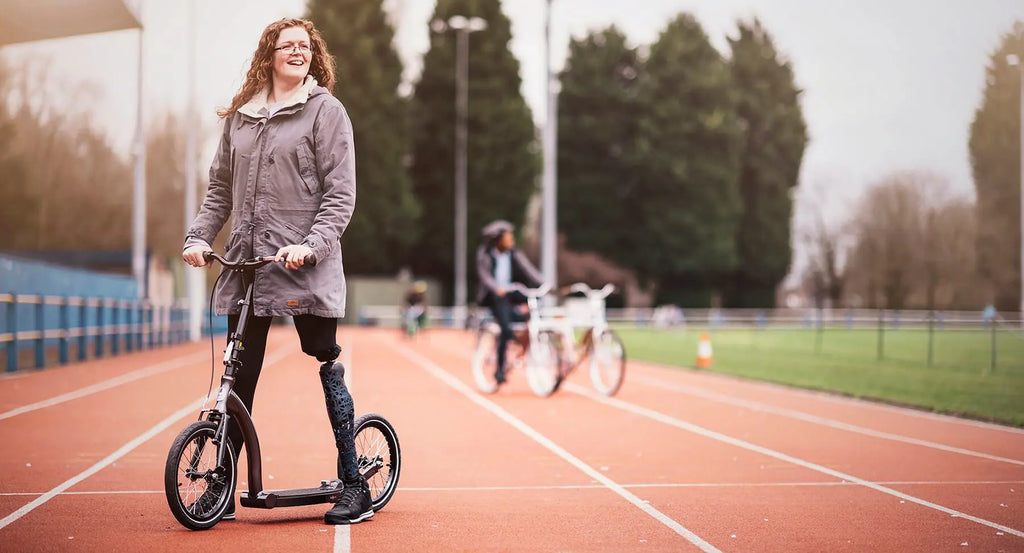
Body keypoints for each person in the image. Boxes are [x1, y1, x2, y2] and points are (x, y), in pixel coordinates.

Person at [181, 18, 369, 525]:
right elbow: (220, 188)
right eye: (287, 45)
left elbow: (340, 193)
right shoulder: (242, 119)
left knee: (324, 357)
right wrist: (198, 237)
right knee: (240, 372)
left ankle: (353, 484)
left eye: (305, 46)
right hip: (249, 264)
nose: (297, 52)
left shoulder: (325, 112)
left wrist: (312, 246)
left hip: (303, 263)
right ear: (268, 54)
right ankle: (220, 483)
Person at [475, 220, 544, 386]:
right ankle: (500, 369)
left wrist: (544, 283)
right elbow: (485, 276)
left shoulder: (513, 252)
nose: (511, 239)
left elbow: (528, 269)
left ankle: (527, 339)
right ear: (498, 239)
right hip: (496, 296)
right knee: (506, 329)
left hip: (512, 292)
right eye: (508, 237)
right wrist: (496, 287)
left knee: (535, 304)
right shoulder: (485, 254)